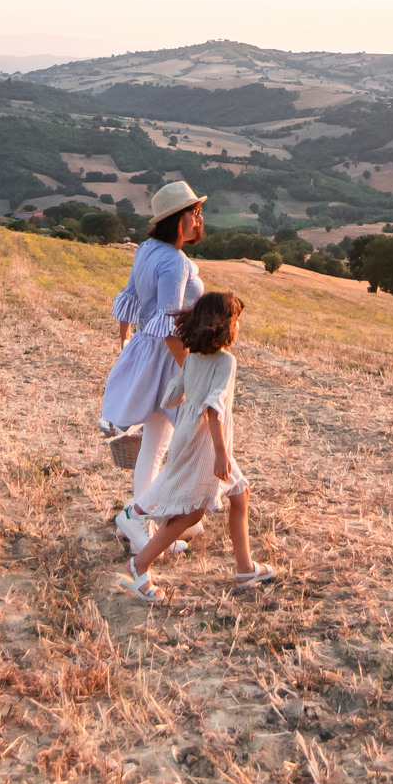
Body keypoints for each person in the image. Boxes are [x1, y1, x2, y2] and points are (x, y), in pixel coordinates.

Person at [114, 291, 270, 603]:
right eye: (235, 321)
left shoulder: (194, 357)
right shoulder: (226, 361)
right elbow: (215, 409)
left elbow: (175, 392)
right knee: (191, 513)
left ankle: (245, 568)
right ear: (224, 326)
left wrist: (182, 401)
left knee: (239, 495)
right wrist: (222, 452)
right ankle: (138, 565)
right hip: (207, 441)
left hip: (190, 432)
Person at [101, 180, 209, 552]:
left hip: (148, 353)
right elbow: (170, 324)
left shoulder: (147, 248)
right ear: (179, 219)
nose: (199, 218)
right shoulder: (175, 261)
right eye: (194, 212)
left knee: (155, 443)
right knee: (199, 439)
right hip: (169, 359)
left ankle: (142, 528)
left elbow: (128, 300)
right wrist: (192, 376)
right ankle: (146, 518)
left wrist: (125, 345)